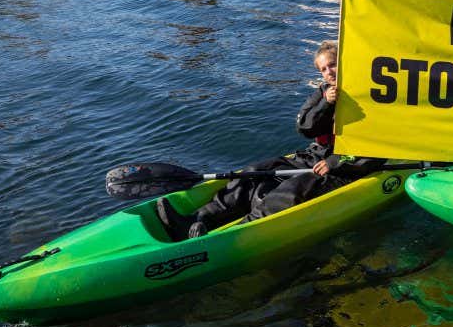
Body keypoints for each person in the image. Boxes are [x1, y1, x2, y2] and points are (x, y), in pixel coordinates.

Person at [156, 40, 385, 241]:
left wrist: (335, 162)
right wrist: (326, 103)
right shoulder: (324, 93)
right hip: (313, 156)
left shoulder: (370, 96)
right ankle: (200, 218)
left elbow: (377, 145)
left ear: (345, 62)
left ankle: (239, 231)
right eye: (323, 69)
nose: (329, 72)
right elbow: (305, 127)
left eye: (332, 65)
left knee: (298, 185)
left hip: (345, 166)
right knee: (255, 171)